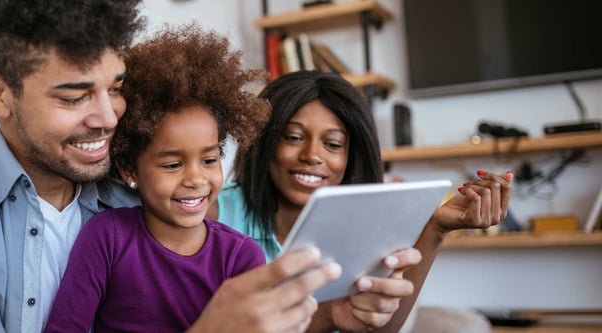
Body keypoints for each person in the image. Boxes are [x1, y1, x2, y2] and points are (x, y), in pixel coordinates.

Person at [0, 1, 341, 332]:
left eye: (115, 87)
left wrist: (337, 313)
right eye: (74, 96)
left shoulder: (133, 197)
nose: (109, 117)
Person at [212, 70, 513, 332]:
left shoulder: (368, 218)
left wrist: (435, 228)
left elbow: (378, 328)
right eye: (292, 137)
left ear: (351, 156)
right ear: (265, 142)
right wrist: (332, 314)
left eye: (332, 144)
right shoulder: (214, 215)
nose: (312, 156)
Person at [44, 26, 280, 332]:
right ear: (129, 170)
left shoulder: (241, 255)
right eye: (172, 164)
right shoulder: (107, 238)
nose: (196, 178)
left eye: (209, 160)